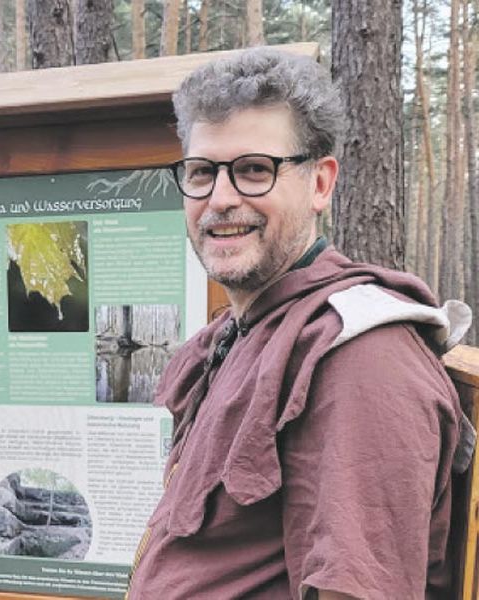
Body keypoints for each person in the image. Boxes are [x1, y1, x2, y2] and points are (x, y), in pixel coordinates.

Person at [125, 48, 474, 600]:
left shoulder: (361, 361)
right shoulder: (247, 330)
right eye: (202, 172)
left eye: (254, 170)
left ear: (320, 184)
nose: (220, 199)